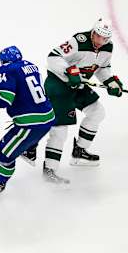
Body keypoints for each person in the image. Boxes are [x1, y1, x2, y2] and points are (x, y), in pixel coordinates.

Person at [39, 18, 123, 184]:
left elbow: (102, 68)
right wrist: (69, 70)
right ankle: (49, 169)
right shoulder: (79, 41)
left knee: (97, 111)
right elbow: (53, 57)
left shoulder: (108, 48)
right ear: (93, 32)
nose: (100, 41)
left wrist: (111, 82)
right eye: (98, 36)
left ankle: (80, 151)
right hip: (59, 85)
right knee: (60, 128)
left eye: (104, 38)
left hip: (78, 86)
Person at [0, 46, 55, 194]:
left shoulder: (7, 69)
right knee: (21, 140)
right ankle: (30, 150)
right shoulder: (30, 66)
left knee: (5, 153)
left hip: (31, 124)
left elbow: (5, 99)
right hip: (48, 117)